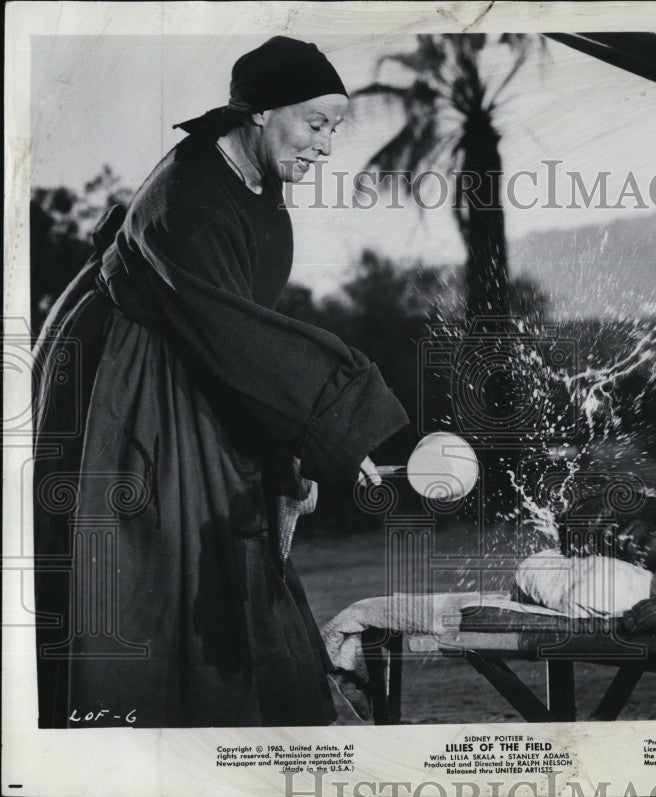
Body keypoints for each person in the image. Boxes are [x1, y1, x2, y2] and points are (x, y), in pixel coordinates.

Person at [32, 37, 408, 728]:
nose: (326, 146)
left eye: (335, 128)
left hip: (201, 367)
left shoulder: (256, 183)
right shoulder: (191, 195)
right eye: (315, 123)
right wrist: (331, 423)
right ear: (259, 113)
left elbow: (242, 334)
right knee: (159, 571)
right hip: (138, 393)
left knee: (239, 570)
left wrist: (297, 446)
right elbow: (238, 336)